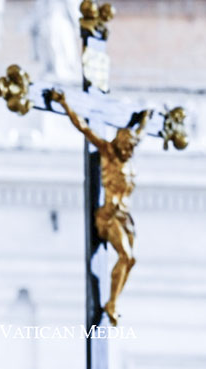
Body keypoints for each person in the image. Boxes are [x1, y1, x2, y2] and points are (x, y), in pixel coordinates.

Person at [50, 89, 149, 326]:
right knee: (125, 256)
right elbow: (83, 127)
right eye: (125, 148)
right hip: (107, 217)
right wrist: (64, 103)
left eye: (131, 149)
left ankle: (114, 301)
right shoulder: (107, 151)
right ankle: (111, 303)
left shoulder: (128, 155)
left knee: (130, 260)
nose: (128, 152)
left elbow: (141, 133)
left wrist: (145, 118)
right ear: (118, 144)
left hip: (125, 217)